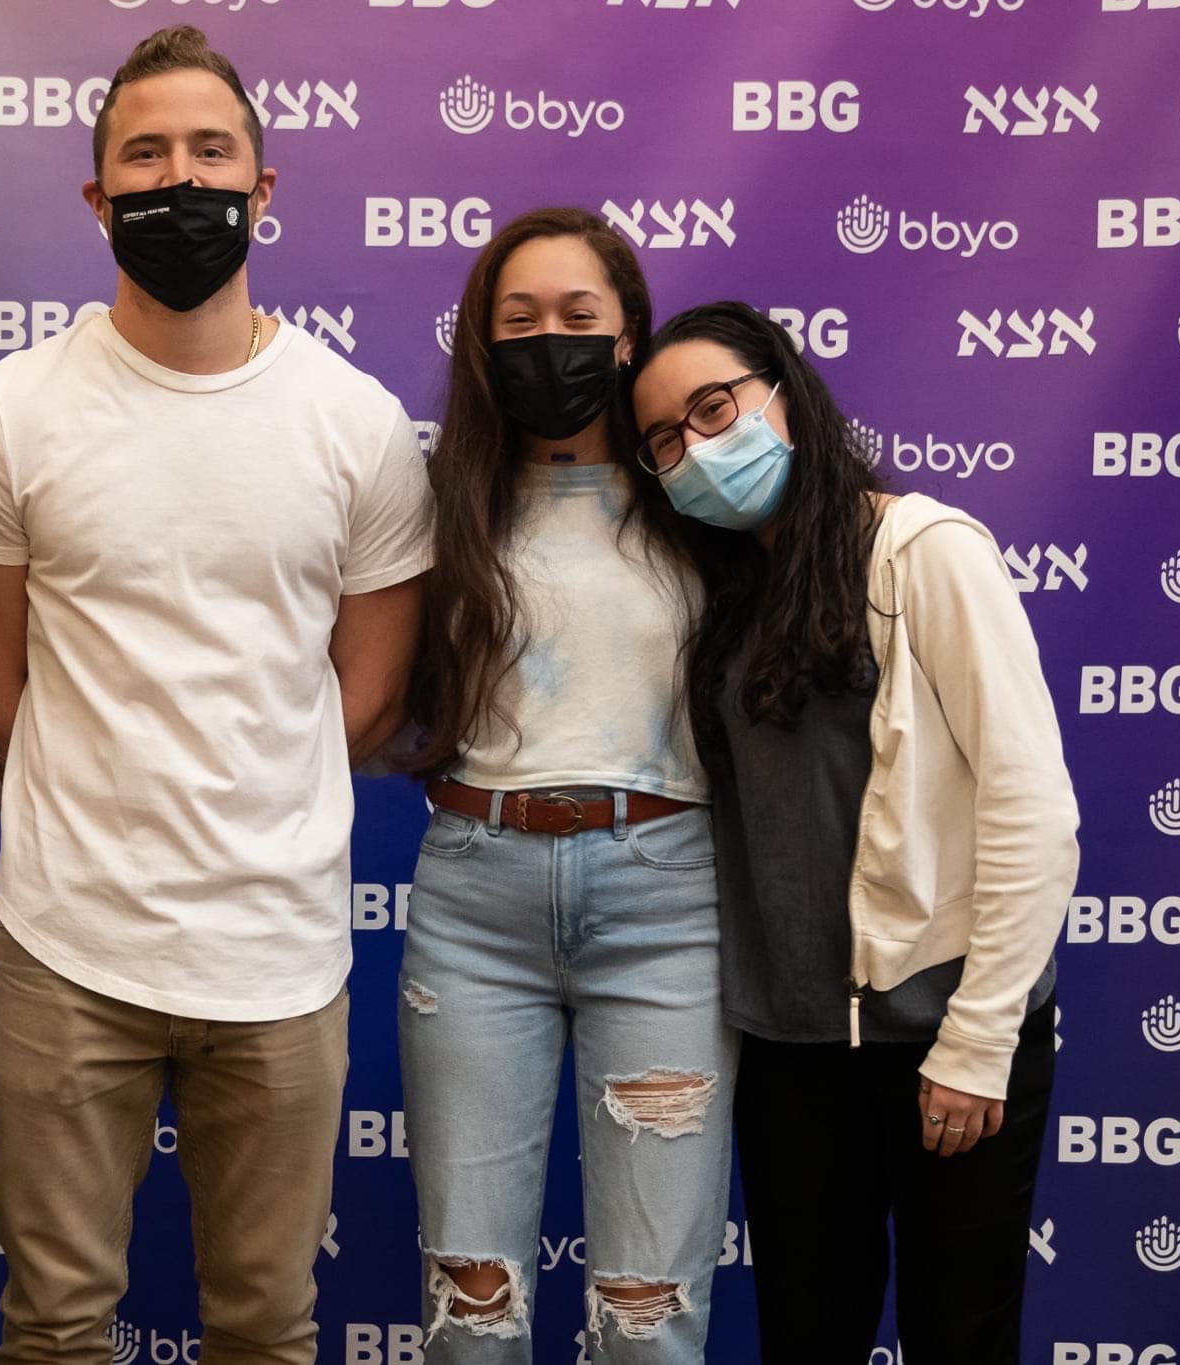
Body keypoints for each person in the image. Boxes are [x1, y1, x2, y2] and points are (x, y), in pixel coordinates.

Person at [0, 24, 432, 1365]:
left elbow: (369, 693)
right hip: (66, 946)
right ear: (97, 196)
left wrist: (251, 800)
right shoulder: (13, 414)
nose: (180, 178)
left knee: (267, 1327)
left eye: (211, 152)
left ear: (263, 188)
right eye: (144, 155)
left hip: (279, 954)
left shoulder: (355, 422)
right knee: (53, 1327)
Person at [630, 300, 1076, 1365]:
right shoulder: (724, 599)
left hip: (942, 1032)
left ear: (783, 393)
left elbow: (1031, 805)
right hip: (791, 1049)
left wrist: (976, 1045)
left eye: (713, 408)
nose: (695, 447)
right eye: (664, 439)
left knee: (959, 1337)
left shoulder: (921, 550)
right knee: (804, 1337)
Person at [398, 207, 735, 1363]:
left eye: (577, 315)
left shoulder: (702, 501)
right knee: (470, 1311)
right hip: (472, 908)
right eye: (519, 319)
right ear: (481, 344)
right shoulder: (433, 502)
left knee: (651, 1316)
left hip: (666, 909)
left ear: (628, 334)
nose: (549, 339)